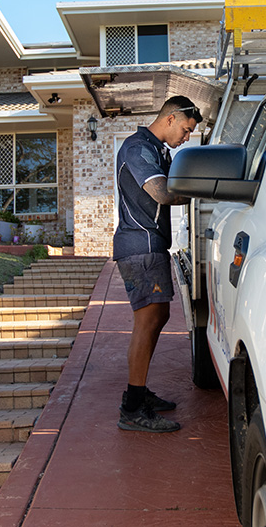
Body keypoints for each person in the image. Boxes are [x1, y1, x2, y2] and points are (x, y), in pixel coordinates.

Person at [113, 96, 202, 432]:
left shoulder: (158, 150)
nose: (186, 137)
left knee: (158, 315)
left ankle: (139, 392)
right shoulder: (138, 148)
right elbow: (162, 193)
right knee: (148, 321)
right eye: (185, 129)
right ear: (171, 117)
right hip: (140, 247)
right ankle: (133, 408)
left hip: (152, 246)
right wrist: (205, 191)